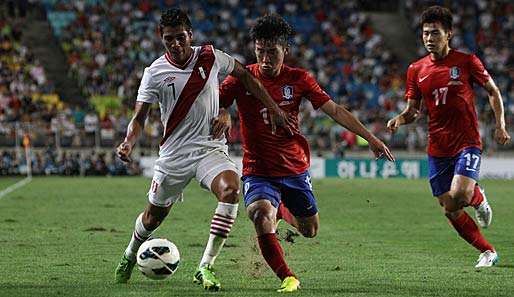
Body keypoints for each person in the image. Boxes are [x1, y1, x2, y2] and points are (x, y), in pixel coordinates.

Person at [114, 8, 292, 291]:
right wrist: (128, 142)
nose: (176, 44)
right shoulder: (154, 72)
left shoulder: (210, 57)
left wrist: (272, 108)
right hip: (174, 155)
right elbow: (139, 117)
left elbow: (245, 76)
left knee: (232, 189)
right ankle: (129, 253)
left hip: (209, 149)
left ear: (190, 35)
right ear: (161, 38)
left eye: (181, 37)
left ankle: (205, 265)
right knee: (152, 218)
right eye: (169, 39)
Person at [219, 14, 395, 293]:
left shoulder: (299, 79)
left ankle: (282, 210)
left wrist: (370, 138)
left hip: (294, 168)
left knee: (309, 229)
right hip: (258, 168)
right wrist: (224, 114)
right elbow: (216, 103)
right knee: (259, 214)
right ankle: (288, 277)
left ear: (285, 51)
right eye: (260, 51)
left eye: (272, 52)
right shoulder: (242, 78)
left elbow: (334, 110)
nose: (265, 59)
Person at [387, 6, 510, 268]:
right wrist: (399, 119)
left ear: (449, 34)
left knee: (461, 195)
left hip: (467, 141)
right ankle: (488, 251)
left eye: (435, 33)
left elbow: (493, 90)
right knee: (450, 207)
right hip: (437, 146)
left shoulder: (466, 62)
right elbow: (413, 111)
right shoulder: (416, 69)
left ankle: (477, 197)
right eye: (425, 33)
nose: (429, 38)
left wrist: (500, 125)